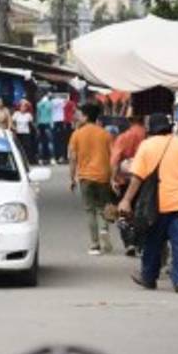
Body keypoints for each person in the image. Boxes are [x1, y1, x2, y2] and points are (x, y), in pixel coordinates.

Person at [118, 113, 178, 293]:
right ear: (169, 127)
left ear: (150, 129)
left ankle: (148, 277)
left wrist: (126, 200)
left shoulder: (147, 146)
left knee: (153, 241)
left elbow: (137, 178)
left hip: (157, 205)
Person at [68, 103, 115, 255]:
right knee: (103, 208)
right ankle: (104, 229)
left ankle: (95, 244)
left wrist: (72, 178)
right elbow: (113, 157)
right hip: (103, 176)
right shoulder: (105, 134)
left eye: (80, 114)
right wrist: (113, 178)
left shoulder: (77, 134)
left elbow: (73, 158)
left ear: (86, 116)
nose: (77, 117)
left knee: (90, 210)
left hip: (85, 177)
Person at [110, 114, 147, 257]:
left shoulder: (123, 137)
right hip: (144, 178)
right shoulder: (148, 137)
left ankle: (129, 242)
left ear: (129, 120)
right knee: (142, 211)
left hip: (125, 179)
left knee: (124, 211)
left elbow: (115, 159)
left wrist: (113, 179)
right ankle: (141, 244)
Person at [35, 92, 55, 165]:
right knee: (50, 142)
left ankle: (40, 159)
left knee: (40, 142)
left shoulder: (39, 104)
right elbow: (52, 114)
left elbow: (37, 115)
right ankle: (52, 158)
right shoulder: (50, 104)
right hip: (48, 123)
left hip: (40, 123)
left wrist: (37, 126)